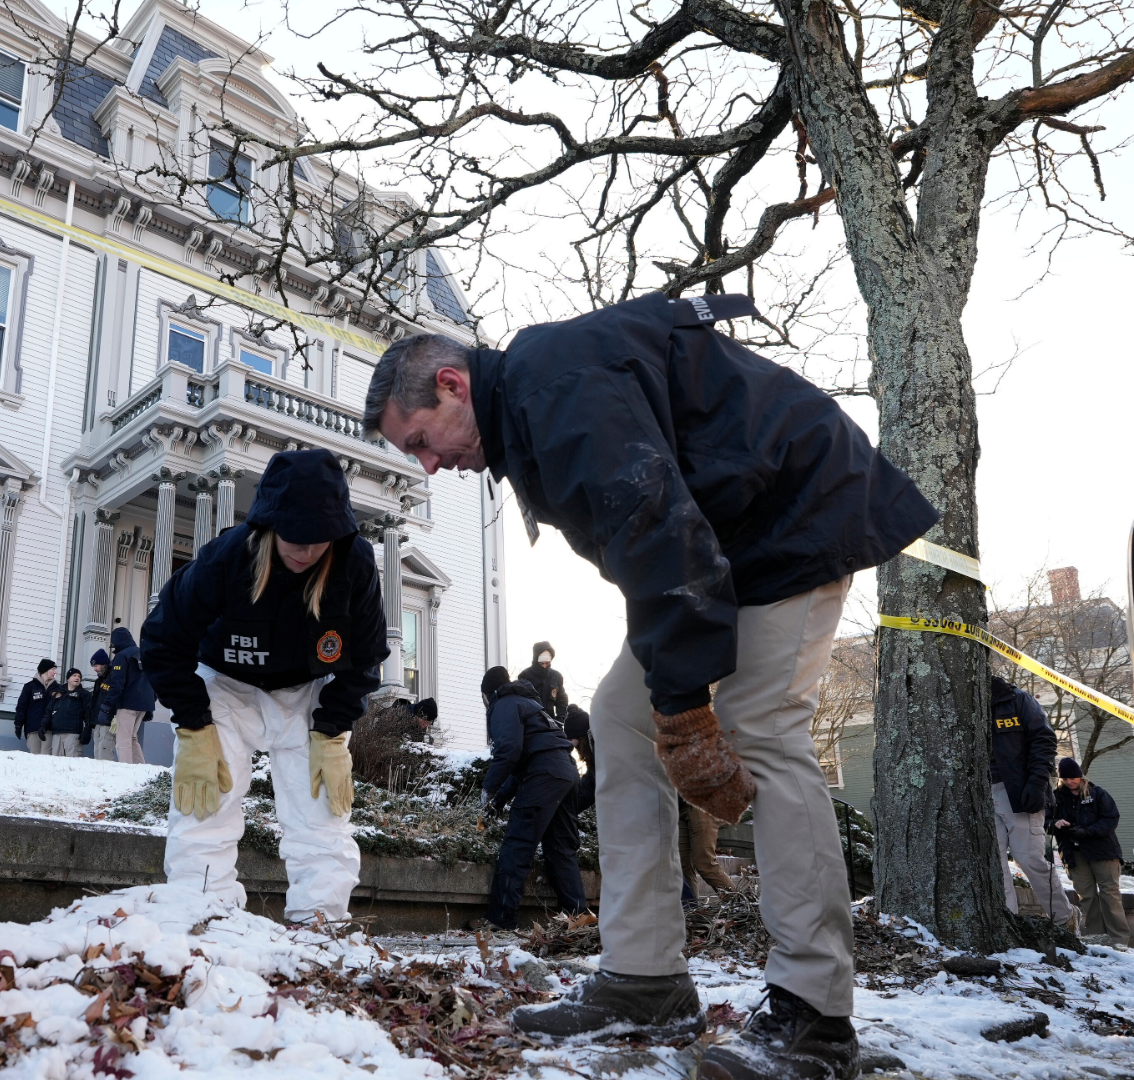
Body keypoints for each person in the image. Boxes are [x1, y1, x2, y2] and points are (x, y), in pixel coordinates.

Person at [365, 299, 937, 1075]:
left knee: (761, 728)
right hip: (718, 547)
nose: (430, 465)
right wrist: (670, 701)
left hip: (790, 517)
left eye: (422, 441)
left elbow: (655, 528)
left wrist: (686, 706)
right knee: (616, 716)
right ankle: (645, 978)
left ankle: (816, 1015)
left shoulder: (552, 390)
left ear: (451, 383)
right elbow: (653, 548)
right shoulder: (529, 413)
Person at [141, 449, 389, 922]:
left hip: (307, 698)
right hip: (225, 691)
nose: (305, 550)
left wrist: (333, 729)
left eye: (319, 539)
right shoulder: (231, 555)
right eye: (294, 536)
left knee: (321, 815)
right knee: (206, 808)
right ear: (271, 523)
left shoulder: (354, 563)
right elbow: (162, 638)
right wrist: (194, 725)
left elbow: (367, 656)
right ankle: (203, 920)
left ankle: (321, 927)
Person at [478, 667, 586, 930]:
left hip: (544, 775)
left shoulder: (504, 703)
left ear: (490, 693)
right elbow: (525, 762)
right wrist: (499, 801)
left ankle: (502, 921)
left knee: (518, 843)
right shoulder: (531, 705)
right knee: (561, 849)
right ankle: (577, 918)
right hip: (566, 772)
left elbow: (509, 752)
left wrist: (488, 789)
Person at [990, 677, 1076, 931]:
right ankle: (1007, 925)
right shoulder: (959, 702)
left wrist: (1037, 783)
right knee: (994, 864)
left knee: (1029, 860)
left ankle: (1065, 920)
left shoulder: (1018, 700)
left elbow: (1044, 740)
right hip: (980, 791)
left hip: (1018, 789)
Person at [1048, 758, 1132, 946]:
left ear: (1080, 775)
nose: (1070, 782)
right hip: (1073, 853)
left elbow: (1111, 819)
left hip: (1103, 851)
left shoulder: (1097, 793)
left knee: (1110, 894)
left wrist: (1088, 831)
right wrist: (1055, 824)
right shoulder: (1056, 797)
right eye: (1066, 778)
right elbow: (1044, 822)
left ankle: (1119, 940)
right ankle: (1096, 938)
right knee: (1086, 897)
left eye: (1073, 778)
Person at [97, 625, 154, 764]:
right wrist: (150, 705)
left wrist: (106, 705)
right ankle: (141, 768)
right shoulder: (145, 654)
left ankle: (126, 770)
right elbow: (153, 681)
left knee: (122, 741)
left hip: (127, 704)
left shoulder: (122, 656)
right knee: (133, 738)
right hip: (144, 704)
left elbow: (117, 684)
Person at [680, 800, 739, 899]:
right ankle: (691, 911)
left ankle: (737, 905)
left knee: (705, 864)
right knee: (682, 866)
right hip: (678, 807)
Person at [44, 668, 92, 758]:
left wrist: (87, 730)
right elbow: (48, 712)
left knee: (72, 764)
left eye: (79, 676)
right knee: (56, 764)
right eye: (74, 675)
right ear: (68, 678)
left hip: (73, 734)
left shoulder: (84, 694)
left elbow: (88, 713)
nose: (77, 678)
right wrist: (43, 726)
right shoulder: (58, 694)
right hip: (57, 734)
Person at [14, 660, 58, 753]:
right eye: (53, 669)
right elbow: (21, 708)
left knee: (46, 758)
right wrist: (18, 725)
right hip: (33, 729)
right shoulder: (30, 687)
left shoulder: (58, 689)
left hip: (49, 730)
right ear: (45, 670)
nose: (55, 672)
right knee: (34, 758)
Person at [518, 641, 570, 719]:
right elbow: (520, 702)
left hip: (551, 723)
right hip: (531, 723)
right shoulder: (525, 676)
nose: (545, 666)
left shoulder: (556, 676)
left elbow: (562, 700)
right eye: (542, 664)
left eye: (547, 663)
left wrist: (561, 719)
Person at [85, 650, 114, 760]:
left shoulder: (112, 677)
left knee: (105, 753)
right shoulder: (99, 681)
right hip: (97, 722)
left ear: (103, 664)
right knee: (98, 753)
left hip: (107, 721)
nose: (94, 669)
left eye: (96, 665)